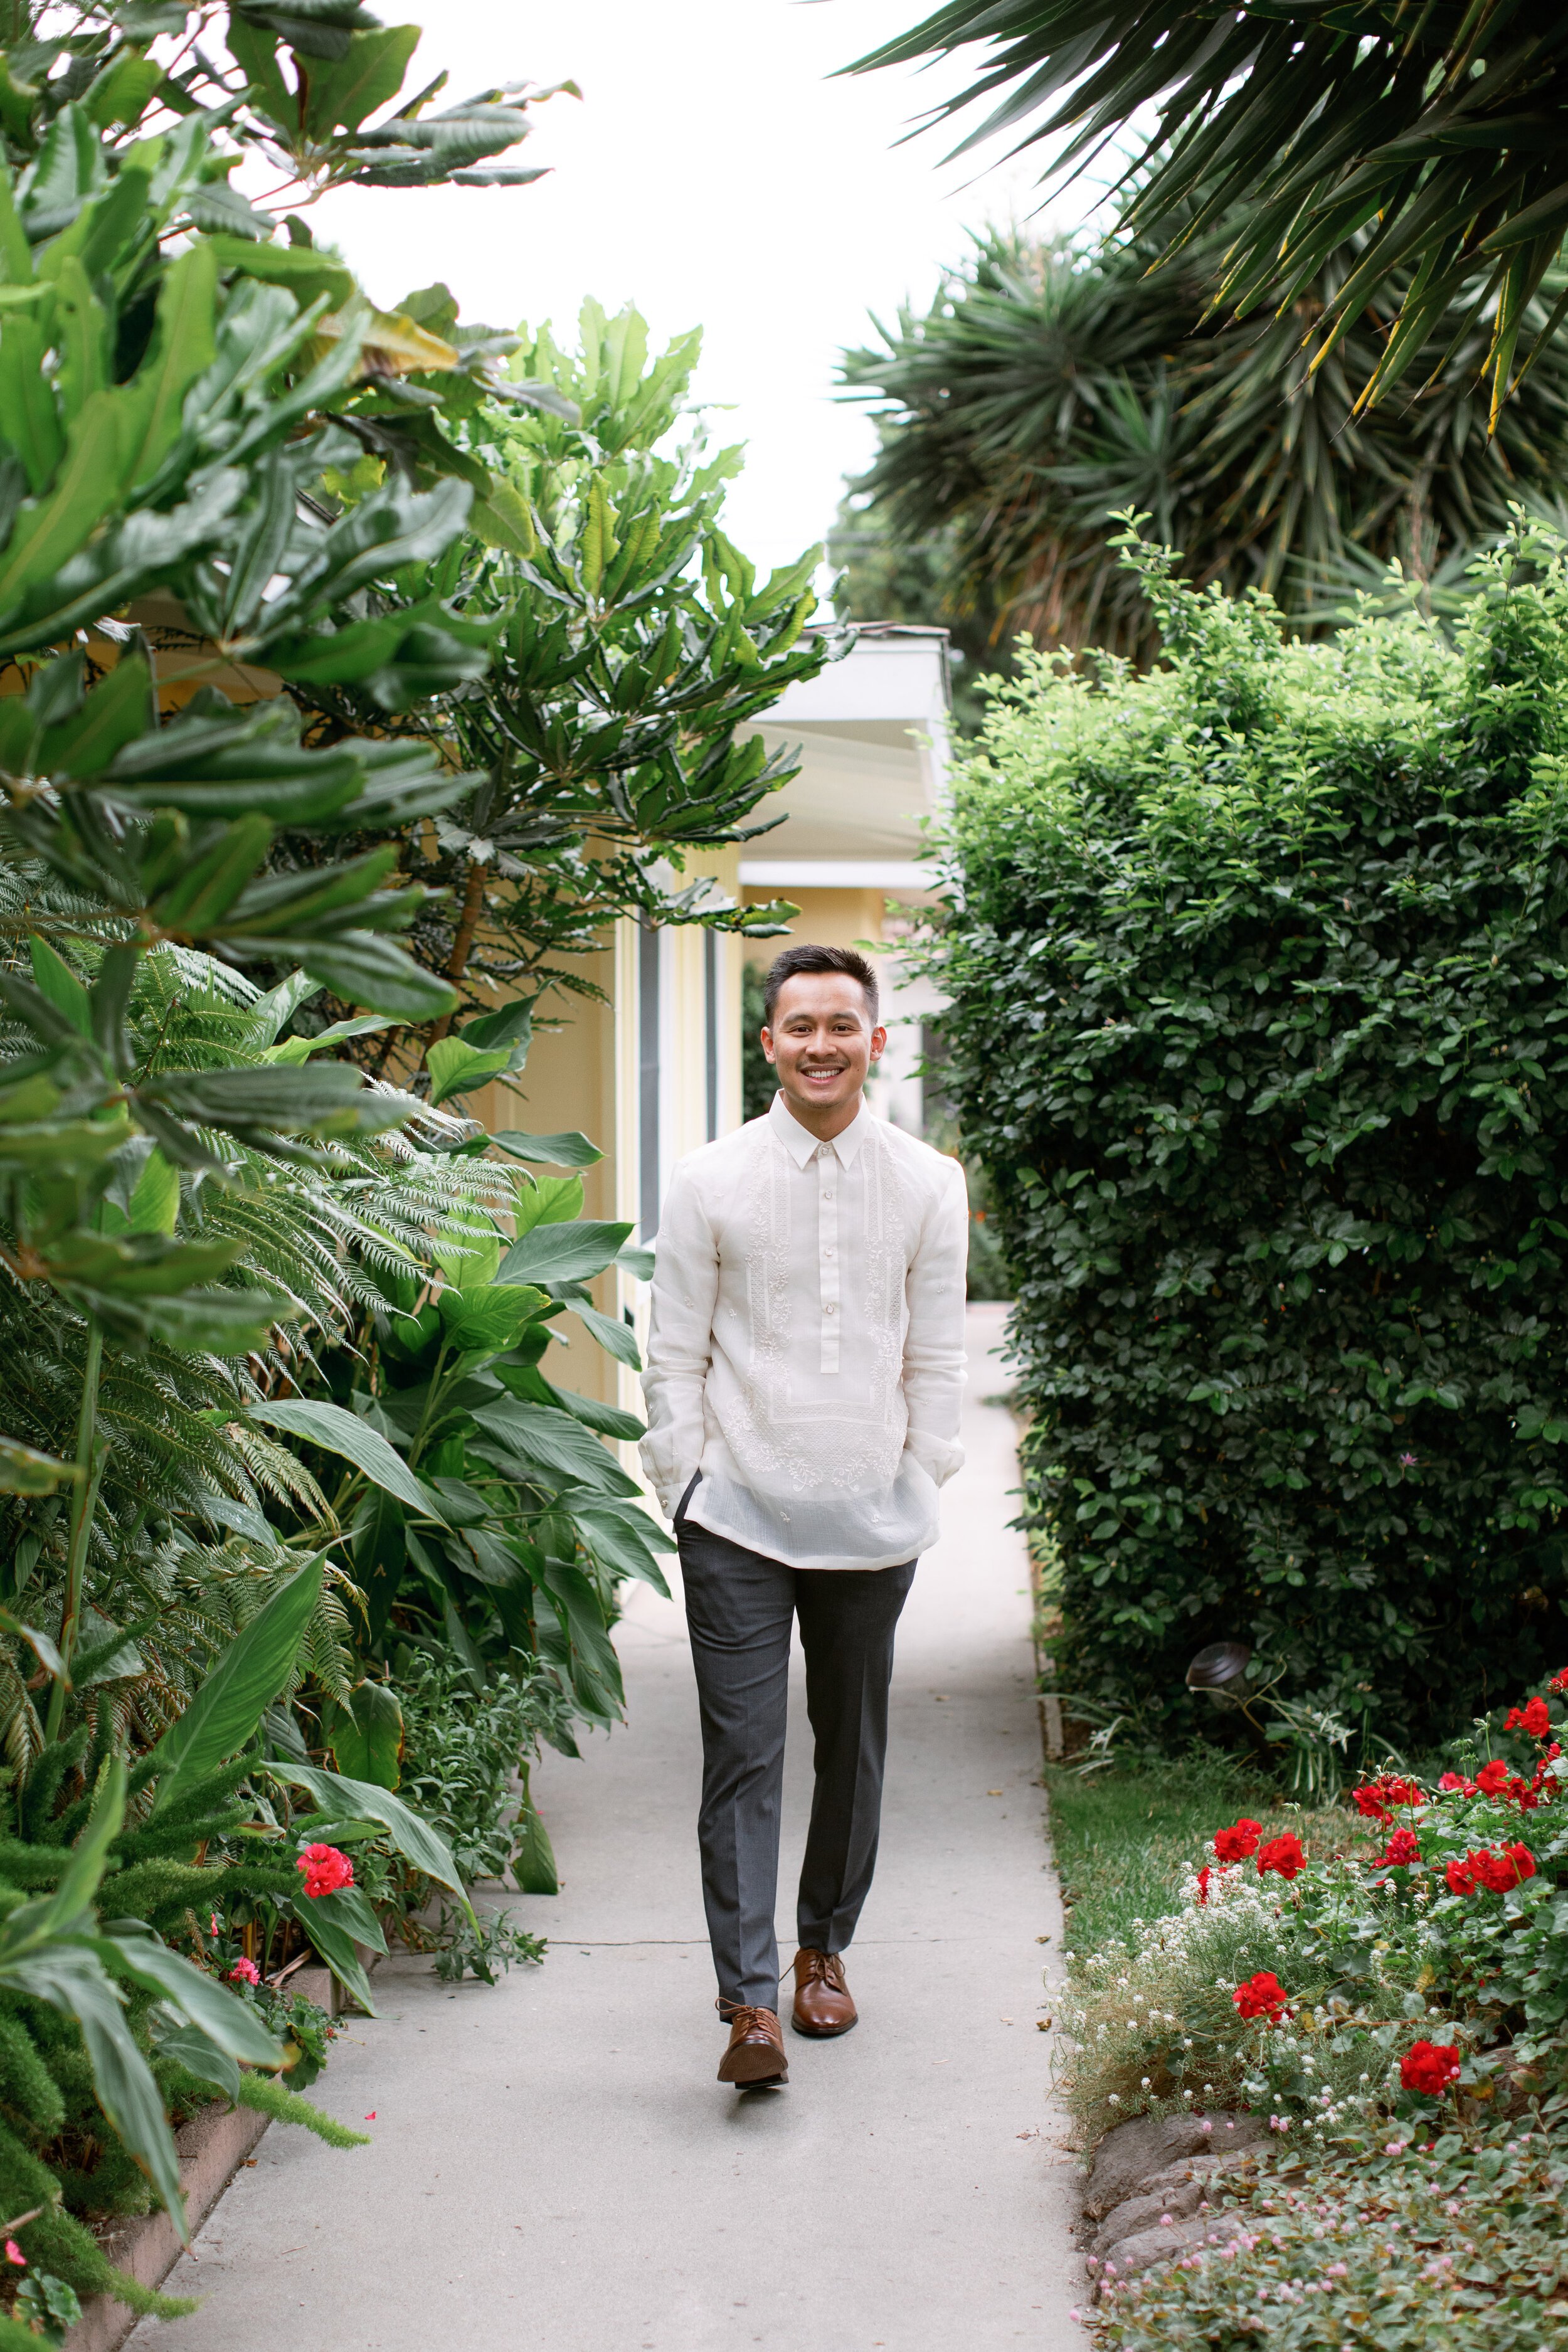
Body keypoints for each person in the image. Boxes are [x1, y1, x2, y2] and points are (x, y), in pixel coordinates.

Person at [640, 941, 969, 2085]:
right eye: (799, 1026)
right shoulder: (708, 1180)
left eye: (843, 1025)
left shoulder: (930, 1181)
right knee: (743, 1751)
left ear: (875, 1040)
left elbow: (938, 1350)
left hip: (871, 1513)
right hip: (733, 1509)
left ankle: (823, 1952)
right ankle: (748, 2004)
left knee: (853, 1745)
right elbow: (672, 1347)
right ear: (768, 1042)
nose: (821, 1045)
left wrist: (924, 1467)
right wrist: (682, 1476)